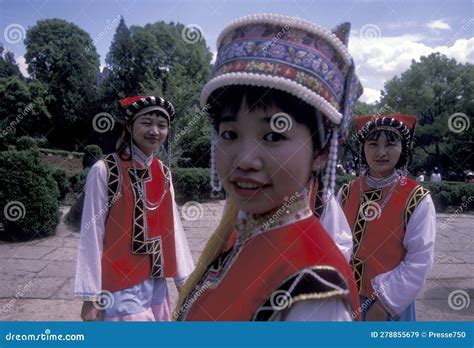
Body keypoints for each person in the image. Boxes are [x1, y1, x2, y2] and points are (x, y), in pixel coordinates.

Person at [174, 13, 363, 321]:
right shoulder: (243, 237)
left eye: (274, 135)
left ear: (322, 152)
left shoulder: (313, 290)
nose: (245, 160)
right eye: (230, 134)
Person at [74, 96, 194, 321]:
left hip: (156, 279)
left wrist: (184, 280)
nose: (155, 131)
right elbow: (92, 232)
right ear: (129, 126)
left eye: (162, 125)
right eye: (146, 123)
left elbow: (173, 228)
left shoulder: (164, 173)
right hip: (119, 281)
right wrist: (90, 295)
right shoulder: (105, 171)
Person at [338, 114, 436, 321]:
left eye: (390, 144)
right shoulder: (346, 192)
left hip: (390, 305)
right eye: (373, 144)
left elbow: (419, 260)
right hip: (344, 300)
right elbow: (333, 243)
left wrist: (384, 304)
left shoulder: (417, 198)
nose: (381, 152)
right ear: (363, 148)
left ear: (403, 149)